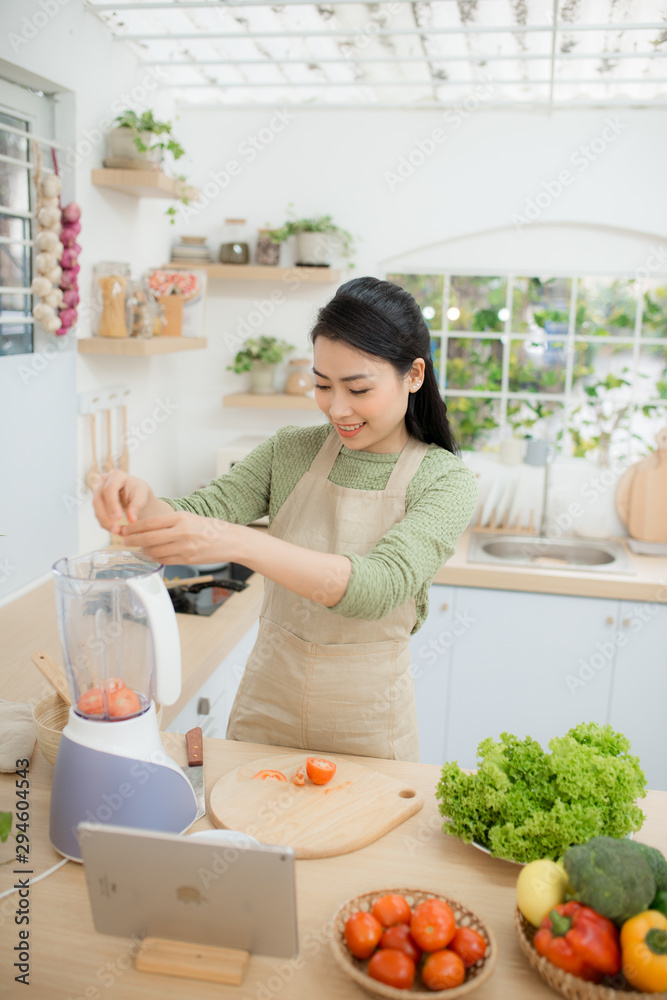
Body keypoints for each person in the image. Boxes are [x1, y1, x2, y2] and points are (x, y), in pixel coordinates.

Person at [93, 277, 479, 761]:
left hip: (368, 728)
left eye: (358, 388)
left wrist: (242, 543)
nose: (337, 409)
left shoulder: (445, 480)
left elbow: (376, 586)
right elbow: (204, 512)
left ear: (414, 375)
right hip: (266, 712)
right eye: (322, 385)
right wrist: (142, 500)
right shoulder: (292, 450)